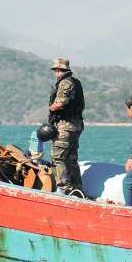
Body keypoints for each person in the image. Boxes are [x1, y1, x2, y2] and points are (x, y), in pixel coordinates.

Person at [48, 58, 85, 194]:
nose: (55, 73)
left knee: (58, 158)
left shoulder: (65, 83)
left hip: (66, 126)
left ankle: (64, 188)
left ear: (58, 70)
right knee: (71, 158)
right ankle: (77, 189)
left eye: (55, 71)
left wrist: (51, 108)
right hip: (75, 125)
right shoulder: (75, 82)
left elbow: (61, 103)